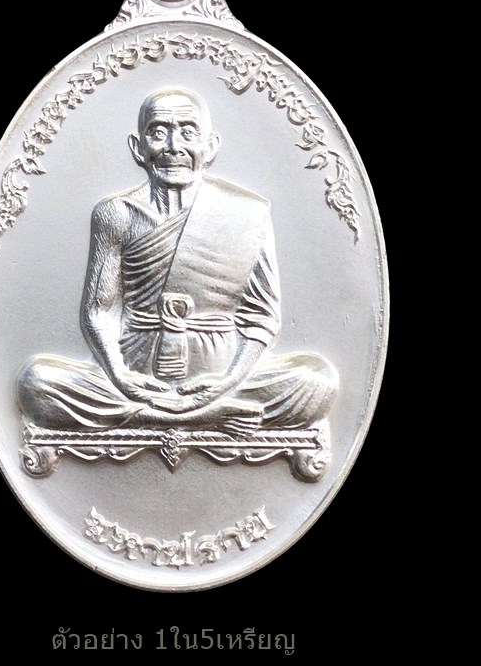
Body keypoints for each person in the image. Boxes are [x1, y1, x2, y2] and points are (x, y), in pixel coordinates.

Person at [17, 87, 337, 434]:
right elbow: (99, 312)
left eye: (188, 132)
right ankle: (201, 417)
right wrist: (120, 376)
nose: (173, 147)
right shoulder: (115, 214)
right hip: (135, 374)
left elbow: (262, 318)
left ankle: (166, 414)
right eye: (158, 132)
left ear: (210, 147)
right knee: (37, 383)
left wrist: (228, 382)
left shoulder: (248, 212)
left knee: (316, 382)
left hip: (222, 374)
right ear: (138, 148)